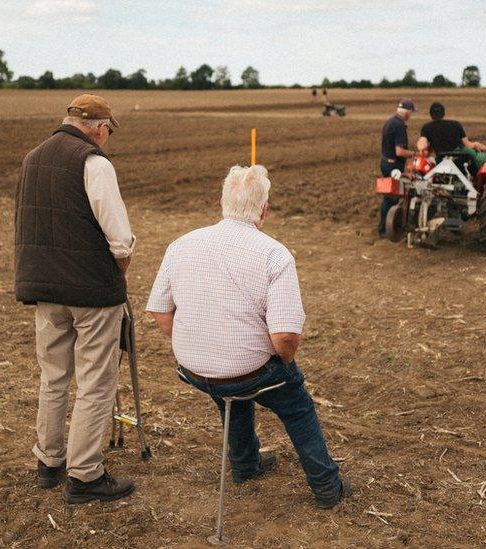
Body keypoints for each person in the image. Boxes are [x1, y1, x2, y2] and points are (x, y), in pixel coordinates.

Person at [146, 165, 349, 509]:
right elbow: (285, 338)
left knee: (233, 390)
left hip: (194, 370)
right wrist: (284, 363)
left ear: (223, 201)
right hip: (246, 372)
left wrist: (197, 344)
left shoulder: (181, 245)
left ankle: (245, 465)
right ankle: (328, 487)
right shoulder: (273, 254)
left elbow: (159, 311)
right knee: (295, 404)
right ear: (264, 210)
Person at [14, 94, 137, 504]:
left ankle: (49, 461)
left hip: (45, 289)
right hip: (90, 292)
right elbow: (119, 239)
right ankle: (85, 474)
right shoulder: (94, 163)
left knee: (53, 377)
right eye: (109, 131)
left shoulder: (32, 157)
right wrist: (115, 276)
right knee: (96, 382)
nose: (107, 138)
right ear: (100, 127)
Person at [378, 99, 417, 238]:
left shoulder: (390, 121)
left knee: (389, 197)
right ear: (407, 111)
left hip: (385, 163)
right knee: (391, 199)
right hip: (393, 166)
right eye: (411, 112)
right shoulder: (400, 126)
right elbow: (399, 151)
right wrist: (414, 154)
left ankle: (386, 228)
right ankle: (385, 230)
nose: (411, 115)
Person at [417, 102, 486, 172]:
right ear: (443, 114)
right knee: (482, 158)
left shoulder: (427, 128)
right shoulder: (456, 124)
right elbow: (467, 144)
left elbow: (421, 145)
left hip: (441, 162)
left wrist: (426, 148)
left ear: (431, 115)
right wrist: (476, 144)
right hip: (460, 161)